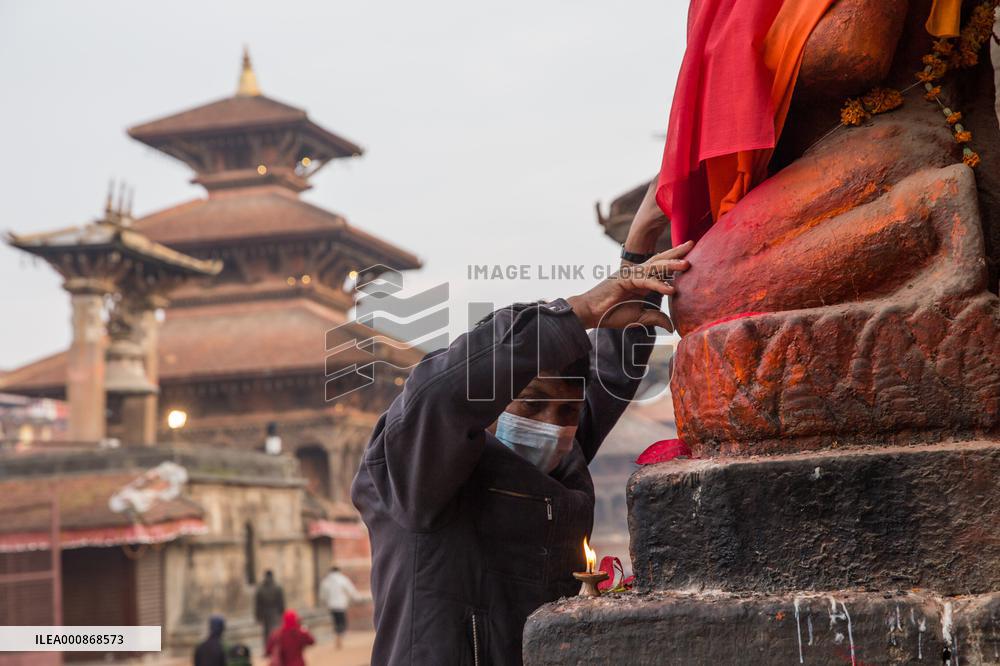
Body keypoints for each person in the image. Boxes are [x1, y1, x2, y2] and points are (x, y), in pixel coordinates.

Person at [352, 199, 692, 665]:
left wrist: (638, 246)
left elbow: (610, 376)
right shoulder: (417, 475)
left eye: (566, 410)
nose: (550, 423)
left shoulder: (560, 466)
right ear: (487, 405)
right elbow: (440, 396)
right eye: (531, 403)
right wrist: (579, 312)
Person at [318, 565, 363, 649]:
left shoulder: (326, 581)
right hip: (341, 605)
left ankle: (337, 638)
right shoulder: (343, 579)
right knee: (342, 623)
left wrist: (325, 602)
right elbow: (351, 590)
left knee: (336, 622)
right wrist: (357, 598)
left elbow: (322, 595)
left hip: (331, 606)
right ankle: (339, 639)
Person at [254, 570, 285, 646]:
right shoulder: (277, 587)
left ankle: (269, 648)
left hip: (266, 613)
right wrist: (282, 613)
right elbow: (281, 602)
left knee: (267, 632)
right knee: (275, 630)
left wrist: (258, 616)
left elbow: (258, 604)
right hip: (275, 612)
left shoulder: (261, 588)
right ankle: (275, 647)